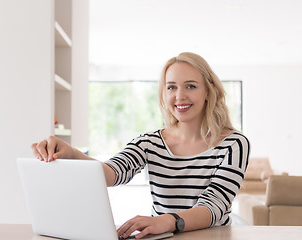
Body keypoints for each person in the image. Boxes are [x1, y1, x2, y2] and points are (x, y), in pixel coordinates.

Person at [31, 52, 250, 239]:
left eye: (190, 86)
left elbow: (213, 207)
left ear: (208, 91)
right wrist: (72, 154)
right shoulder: (150, 142)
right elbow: (113, 172)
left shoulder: (233, 144)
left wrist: (168, 221)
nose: (179, 96)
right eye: (171, 87)